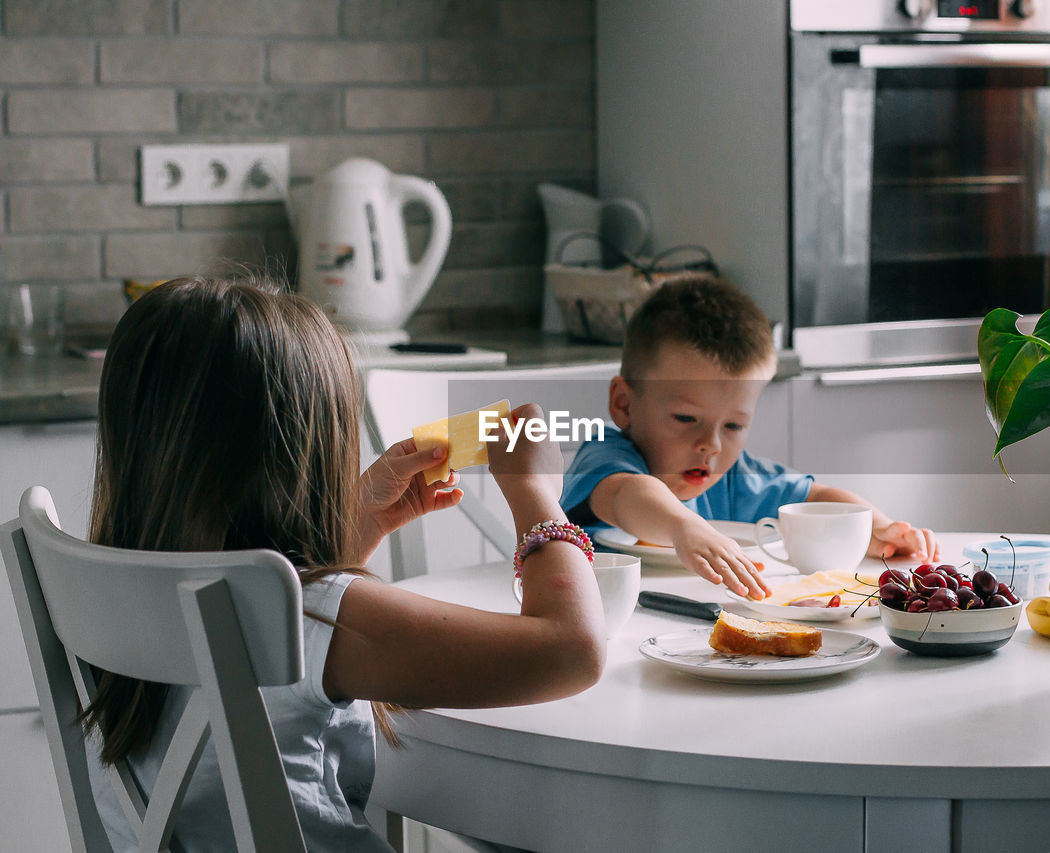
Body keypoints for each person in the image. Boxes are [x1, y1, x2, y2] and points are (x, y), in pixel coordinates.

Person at [82, 275, 605, 852]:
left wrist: (361, 522)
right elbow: (571, 651)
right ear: (309, 451)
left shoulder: (113, 588)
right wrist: (536, 493)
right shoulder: (308, 613)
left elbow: (280, 663)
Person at [561, 276, 939, 601]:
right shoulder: (606, 455)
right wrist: (684, 528)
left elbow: (817, 499)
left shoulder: (732, 478)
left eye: (733, 426)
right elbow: (628, 495)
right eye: (686, 418)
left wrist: (881, 529)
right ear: (624, 404)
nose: (711, 445)